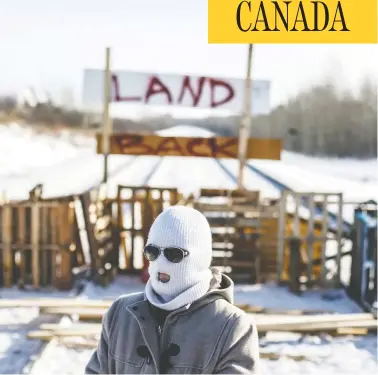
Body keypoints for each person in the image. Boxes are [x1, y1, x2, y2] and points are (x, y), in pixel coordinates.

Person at [85, 205, 260, 374]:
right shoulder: (120, 315)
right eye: (152, 252)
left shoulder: (233, 327)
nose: (161, 262)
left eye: (173, 254)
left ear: (199, 258)